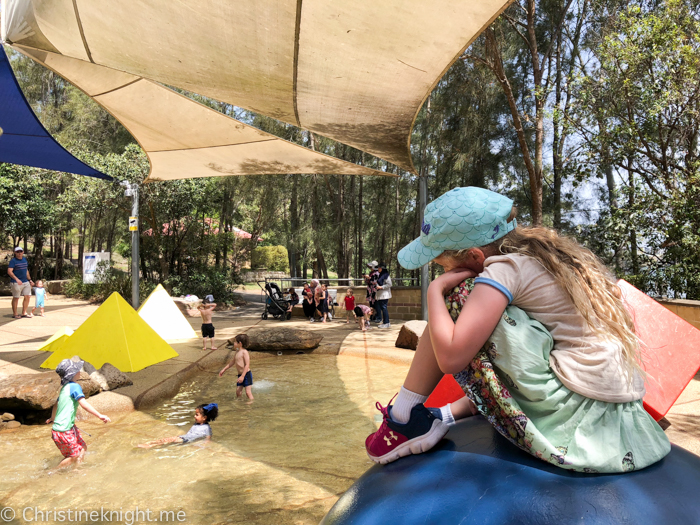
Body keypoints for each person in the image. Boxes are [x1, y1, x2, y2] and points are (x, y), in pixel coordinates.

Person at [365, 186, 670, 473]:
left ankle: (404, 415)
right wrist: (448, 412)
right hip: (612, 410)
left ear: (474, 256)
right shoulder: (540, 256)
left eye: (442, 265)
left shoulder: (505, 269)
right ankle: (440, 416)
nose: (442, 271)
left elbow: (451, 359)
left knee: (457, 300)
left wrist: (436, 291)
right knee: (496, 319)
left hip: (576, 415)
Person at [46, 359, 111, 469]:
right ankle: (53, 472)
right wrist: (100, 415)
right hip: (64, 430)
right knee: (74, 455)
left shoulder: (64, 388)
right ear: (73, 373)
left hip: (65, 428)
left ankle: (77, 470)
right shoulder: (74, 387)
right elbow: (84, 404)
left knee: (82, 447)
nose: (79, 371)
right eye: (77, 370)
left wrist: (52, 418)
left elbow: (56, 404)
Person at [138, 403, 218, 448]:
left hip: (186, 440)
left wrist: (205, 445)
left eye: (197, 415)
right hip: (184, 437)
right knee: (167, 440)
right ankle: (150, 443)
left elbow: (208, 438)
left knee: (168, 441)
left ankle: (150, 446)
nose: (194, 416)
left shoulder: (207, 428)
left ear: (204, 418)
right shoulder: (196, 424)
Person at [219, 333, 254, 401]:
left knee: (248, 392)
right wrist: (224, 369)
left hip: (246, 374)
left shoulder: (244, 352)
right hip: (240, 375)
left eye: (235, 342)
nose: (234, 343)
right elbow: (232, 362)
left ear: (239, 343)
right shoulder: (237, 351)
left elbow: (247, 365)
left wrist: (243, 376)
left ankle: (251, 404)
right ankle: (240, 402)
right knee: (238, 392)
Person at [8, 246, 34, 319]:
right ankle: (15, 314)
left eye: (20, 252)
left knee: (28, 296)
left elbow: (26, 270)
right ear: (15, 253)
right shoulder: (13, 261)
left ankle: (24, 312)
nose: (19, 253)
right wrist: (16, 279)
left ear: (23, 252)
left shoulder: (24, 260)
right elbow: (9, 271)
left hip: (25, 281)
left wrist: (30, 280)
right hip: (16, 282)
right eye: (17, 252)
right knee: (16, 297)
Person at [375, 263, 392, 328]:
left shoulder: (386, 275)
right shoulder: (381, 275)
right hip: (381, 295)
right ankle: (385, 322)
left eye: (379, 268)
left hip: (384, 295)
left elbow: (389, 284)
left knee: (384, 308)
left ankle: (387, 322)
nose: (378, 269)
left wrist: (381, 287)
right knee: (382, 308)